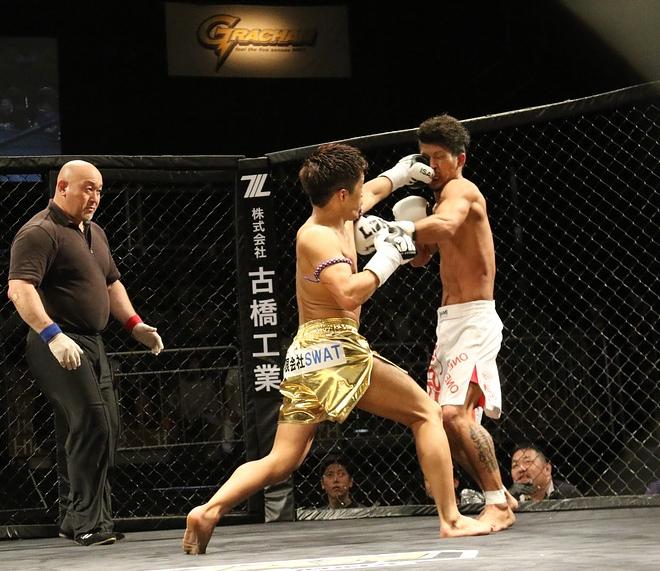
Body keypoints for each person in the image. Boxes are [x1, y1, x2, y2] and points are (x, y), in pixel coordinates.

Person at [182, 143, 492, 554]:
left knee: (282, 460)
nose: (365, 194)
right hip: (336, 348)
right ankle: (451, 519)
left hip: (305, 356)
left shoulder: (343, 215)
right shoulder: (316, 237)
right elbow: (348, 293)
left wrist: (400, 173)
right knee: (426, 413)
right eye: (358, 189)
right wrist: (387, 258)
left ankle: (207, 510)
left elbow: (376, 190)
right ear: (342, 194)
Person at [7, 160, 164, 546]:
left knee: (103, 427)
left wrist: (134, 324)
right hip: (56, 341)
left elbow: (111, 283)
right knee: (93, 423)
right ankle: (87, 523)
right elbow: (20, 289)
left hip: (93, 343)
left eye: (99, 190)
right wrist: (53, 334)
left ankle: (79, 519)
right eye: (87, 188)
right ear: (63, 187)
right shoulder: (40, 231)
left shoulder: (94, 232)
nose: (95, 197)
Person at [380, 115, 516, 530]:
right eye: (425, 157)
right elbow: (421, 259)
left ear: (460, 159)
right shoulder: (436, 201)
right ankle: (501, 493)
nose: (432, 165)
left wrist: (395, 228)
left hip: (474, 319)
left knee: (456, 415)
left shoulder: (461, 190)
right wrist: (408, 228)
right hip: (448, 323)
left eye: (439, 156)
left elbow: (447, 225)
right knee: (441, 420)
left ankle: (497, 503)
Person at [509, 443, 581, 501]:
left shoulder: (568, 493)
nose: (521, 469)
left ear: (547, 469)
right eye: (515, 465)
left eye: (527, 462)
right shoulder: (510, 497)